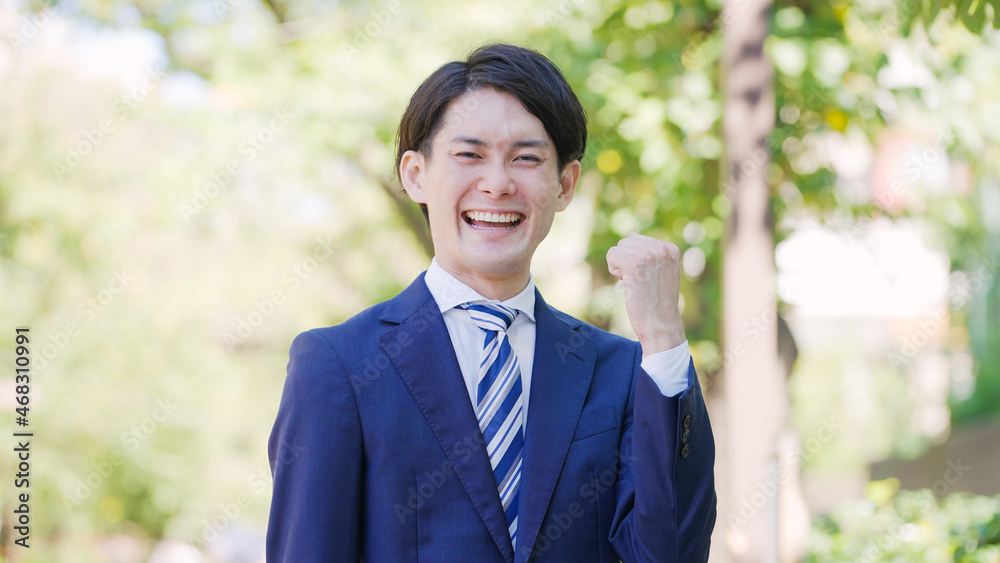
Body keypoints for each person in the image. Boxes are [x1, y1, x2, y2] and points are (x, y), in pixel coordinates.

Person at [266, 43, 716, 562]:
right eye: (469, 155)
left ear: (564, 184)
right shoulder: (338, 365)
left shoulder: (622, 371)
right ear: (415, 174)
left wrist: (664, 338)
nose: (498, 184)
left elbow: (671, 554)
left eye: (527, 158)